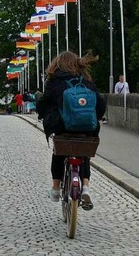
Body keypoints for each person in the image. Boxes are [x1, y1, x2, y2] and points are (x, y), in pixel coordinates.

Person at [36, 51, 106, 211]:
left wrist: (41, 114)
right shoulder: (86, 79)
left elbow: (44, 102)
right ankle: (86, 188)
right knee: (84, 152)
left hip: (62, 126)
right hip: (87, 127)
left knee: (59, 152)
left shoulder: (54, 80)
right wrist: (98, 118)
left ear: (58, 63)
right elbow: (100, 101)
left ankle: (55, 189)